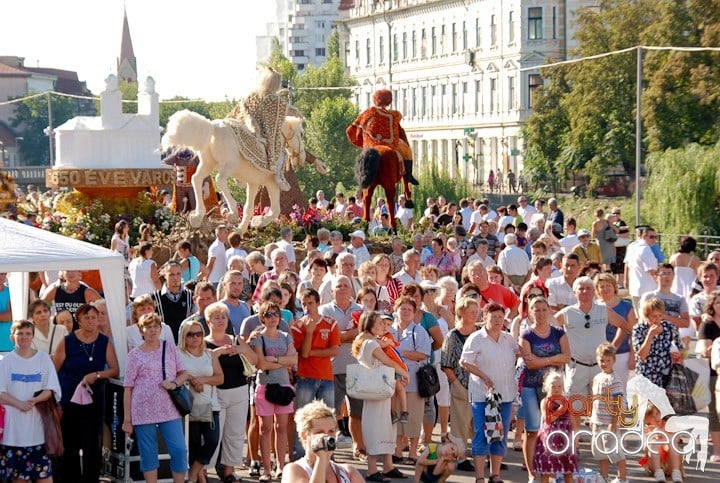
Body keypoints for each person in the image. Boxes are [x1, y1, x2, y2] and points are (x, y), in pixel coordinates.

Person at [53, 303, 119, 482]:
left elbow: (114, 369)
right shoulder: (67, 341)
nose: (90, 321)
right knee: (70, 444)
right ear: (79, 320)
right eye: (86, 317)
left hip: (93, 399)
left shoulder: (104, 341)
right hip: (69, 398)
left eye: (93, 317)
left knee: (91, 443)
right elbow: (54, 369)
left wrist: (97, 375)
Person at [122, 313, 189, 483]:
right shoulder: (134, 355)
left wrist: (174, 384)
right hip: (142, 409)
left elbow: (184, 373)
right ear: (141, 330)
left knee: (179, 450)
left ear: (161, 329)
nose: (152, 330)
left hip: (169, 407)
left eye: (156, 327)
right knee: (148, 453)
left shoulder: (169, 347)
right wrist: (127, 419)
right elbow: (128, 388)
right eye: (148, 327)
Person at [460, 302, 520, 483]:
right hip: (482, 395)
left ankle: (495, 474)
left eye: (500, 317)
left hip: (506, 395)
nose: (497, 320)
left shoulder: (508, 339)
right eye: (493, 317)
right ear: (485, 317)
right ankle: (480, 477)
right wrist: (483, 376)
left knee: (500, 435)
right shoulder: (476, 338)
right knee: (482, 433)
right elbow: (465, 362)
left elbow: (520, 355)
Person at [0, 320, 62, 483]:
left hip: (39, 433)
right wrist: (19, 404)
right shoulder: (5, 362)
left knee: (45, 479)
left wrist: (35, 400)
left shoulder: (43, 359)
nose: (24, 337)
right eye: (20, 333)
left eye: (28, 333)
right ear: (12, 337)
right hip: (13, 435)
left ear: (33, 336)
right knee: (18, 480)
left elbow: (51, 389)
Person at [351, 311, 409, 481]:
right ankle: (371, 469)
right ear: (369, 325)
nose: (381, 326)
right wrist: (404, 373)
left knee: (387, 425)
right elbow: (388, 361)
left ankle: (388, 466)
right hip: (376, 390)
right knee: (376, 427)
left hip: (383, 389)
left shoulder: (370, 341)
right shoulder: (370, 343)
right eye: (377, 323)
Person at [518, 296, 570, 482]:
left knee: (555, 429)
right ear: (530, 312)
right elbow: (530, 363)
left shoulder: (558, 332)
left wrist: (543, 360)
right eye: (535, 309)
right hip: (531, 386)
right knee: (532, 430)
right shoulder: (526, 334)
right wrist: (552, 359)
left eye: (543, 309)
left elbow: (567, 357)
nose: (540, 313)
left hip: (553, 389)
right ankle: (532, 472)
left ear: (549, 311)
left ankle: (552, 469)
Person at [204, 302, 257, 483]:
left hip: (239, 391)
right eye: (216, 317)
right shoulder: (203, 343)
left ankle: (229, 473)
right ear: (208, 321)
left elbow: (256, 360)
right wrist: (216, 354)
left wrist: (243, 349)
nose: (220, 320)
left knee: (234, 434)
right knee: (212, 436)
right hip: (215, 393)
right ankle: (203, 472)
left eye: (223, 317)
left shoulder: (236, 339)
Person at [226, 67, 302, 190]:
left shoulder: (250, 96)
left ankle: (237, 174)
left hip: (244, 130)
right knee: (281, 150)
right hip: (261, 132)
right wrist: (298, 114)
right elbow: (287, 109)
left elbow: (236, 112)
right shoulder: (273, 99)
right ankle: (278, 174)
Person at [250, 301, 299, 482]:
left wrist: (275, 358)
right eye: (268, 315)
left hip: (284, 386)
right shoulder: (258, 337)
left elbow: (294, 358)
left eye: (275, 314)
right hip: (265, 386)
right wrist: (282, 361)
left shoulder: (286, 336)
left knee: (282, 428)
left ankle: (281, 466)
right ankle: (267, 469)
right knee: (266, 428)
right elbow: (261, 364)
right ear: (262, 317)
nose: (272, 318)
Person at [178, 320, 224, 483]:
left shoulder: (210, 354)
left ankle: (193, 474)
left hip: (210, 406)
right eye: (190, 334)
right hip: (187, 407)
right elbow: (175, 377)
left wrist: (202, 380)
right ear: (184, 336)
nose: (195, 337)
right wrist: (192, 380)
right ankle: (199, 478)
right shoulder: (178, 354)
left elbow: (220, 378)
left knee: (212, 441)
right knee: (193, 445)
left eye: (198, 333)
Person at [390, 296, 432, 466]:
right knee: (396, 414)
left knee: (413, 416)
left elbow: (423, 354)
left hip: (413, 380)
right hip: (392, 380)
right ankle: (397, 449)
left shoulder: (419, 331)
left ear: (414, 313)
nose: (406, 312)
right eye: (403, 309)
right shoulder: (389, 330)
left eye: (409, 309)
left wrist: (400, 353)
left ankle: (413, 452)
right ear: (396, 310)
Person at [346, 88, 419, 185]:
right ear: (389, 101)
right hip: (391, 145)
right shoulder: (394, 115)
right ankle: (409, 175)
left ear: (375, 100)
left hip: (370, 144)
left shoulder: (368, 112)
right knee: (406, 150)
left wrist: (361, 142)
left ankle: (361, 176)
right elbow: (398, 124)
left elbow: (351, 130)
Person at [280, 400, 365, 483]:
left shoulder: (347, 471)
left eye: (331, 431)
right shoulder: (294, 470)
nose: (327, 436)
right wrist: (320, 459)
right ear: (305, 436)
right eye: (320, 432)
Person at [440, 296, 480, 473]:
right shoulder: (452, 336)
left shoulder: (480, 333)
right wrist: (457, 384)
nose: (474, 314)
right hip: (460, 384)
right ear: (461, 312)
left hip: (480, 384)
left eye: (476, 311)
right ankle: (462, 456)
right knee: (460, 422)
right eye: (471, 311)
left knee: (481, 423)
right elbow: (446, 363)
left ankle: (482, 455)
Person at [292, 288, 341, 411]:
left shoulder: (331, 323)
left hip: (326, 377)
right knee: (303, 419)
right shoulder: (297, 326)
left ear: (318, 303)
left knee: (327, 416)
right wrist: (309, 332)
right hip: (305, 377)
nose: (307, 307)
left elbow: (334, 350)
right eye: (304, 304)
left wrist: (311, 352)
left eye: (310, 303)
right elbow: (303, 354)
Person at [590, 342, 628, 483]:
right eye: (602, 360)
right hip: (598, 422)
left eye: (608, 360)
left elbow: (618, 403)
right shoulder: (597, 378)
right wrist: (592, 419)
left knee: (615, 452)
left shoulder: (615, 380)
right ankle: (604, 477)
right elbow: (595, 401)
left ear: (614, 360)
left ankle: (622, 478)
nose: (605, 363)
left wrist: (614, 423)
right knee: (600, 452)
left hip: (609, 423)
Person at [532, 371, 579, 483]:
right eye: (553, 386)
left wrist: (576, 436)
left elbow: (572, 419)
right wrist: (560, 409)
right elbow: (548, 419)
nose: (556, 389)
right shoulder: (545, 401)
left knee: (568, 469)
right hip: (550, 438)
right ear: (547, 387)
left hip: (565, 436)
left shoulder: (567, 401)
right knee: (547, 469)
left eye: (559, 386)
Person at [595, 273, 637, 387]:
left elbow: (634, 333)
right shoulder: (594, 307)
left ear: (614, 287)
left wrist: (633, 357)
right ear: (597, 290)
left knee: (619, 390)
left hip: (622, 354)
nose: (605, 289)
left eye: (608, 285)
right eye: (601, 286)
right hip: (599, 357)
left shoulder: (626, 306)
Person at [632, 297, 684, 387]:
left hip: (666, 377)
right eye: (654, 316)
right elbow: (641, 355)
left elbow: (681, 349)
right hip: (646, 377)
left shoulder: (669, 327)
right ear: (646, 316)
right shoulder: (639, 329)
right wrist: (650, 335)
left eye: (660, 315)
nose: (657, 319)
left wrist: (678, 355)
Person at [694, 290, 720, 461]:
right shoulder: (707, 325)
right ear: (712, 306)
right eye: (717, 302)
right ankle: (718, 450)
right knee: (714, 414)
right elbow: (704, 350)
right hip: (713, 375)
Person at [669, 236, 702, 304]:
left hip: (675, 288)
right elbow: (700, 275)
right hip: (690, 290)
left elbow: (669, 273)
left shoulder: (673, 258)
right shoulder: (695, 259)